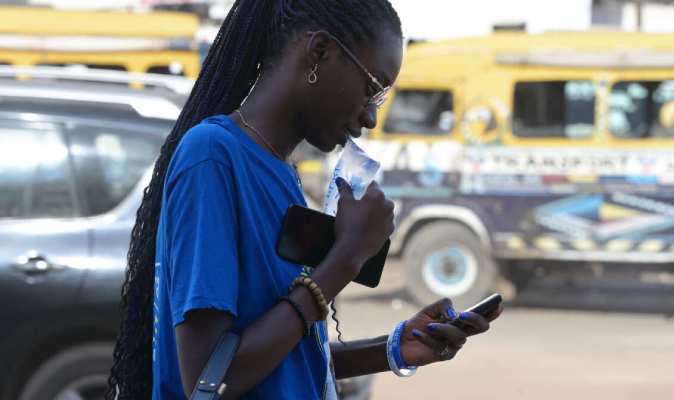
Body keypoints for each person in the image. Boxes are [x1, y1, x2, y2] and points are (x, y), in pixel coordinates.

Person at [106, 1, 502, 399]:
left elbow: (279, 361)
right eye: (371, 88)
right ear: (319, 52)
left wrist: (393, 348)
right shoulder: (212, 156)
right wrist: (345, 258)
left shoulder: (281, 172)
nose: (370, 117)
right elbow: (212, 380)